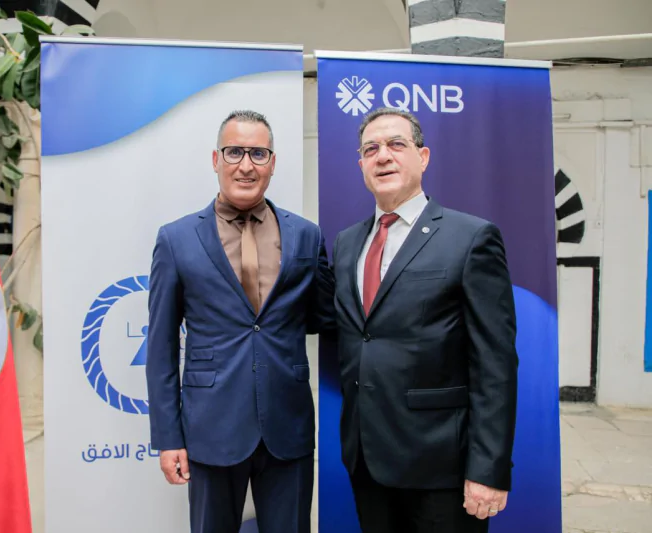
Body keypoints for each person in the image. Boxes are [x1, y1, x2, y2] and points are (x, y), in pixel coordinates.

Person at [146, 110, 335, 533]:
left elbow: (322, 317)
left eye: (258, 153)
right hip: (210, 428)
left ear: (273, 163)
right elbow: (161, 347)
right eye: (234, 152)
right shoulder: (176, 239)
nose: (246, 165)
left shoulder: (306, 235)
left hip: (288, 426)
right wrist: (168, 437)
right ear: (216, 159)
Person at [331, 107, 518, 533]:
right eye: (370, 149)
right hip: (367, 462)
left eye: (396, 144)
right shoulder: (347, 243)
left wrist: (488, 468)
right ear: (361, 165)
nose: (383, 156)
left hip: (442, 468)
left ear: (423, 156)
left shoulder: (470, 238)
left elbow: (495, 363)